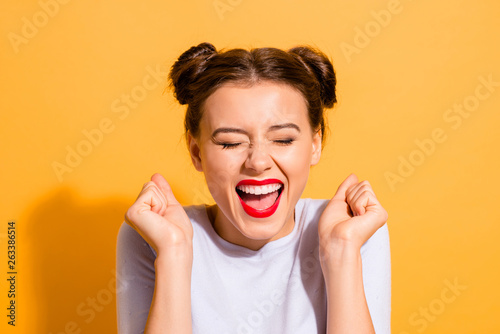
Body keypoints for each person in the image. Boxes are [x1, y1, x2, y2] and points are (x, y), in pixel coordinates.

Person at [116, 42, 391, 334]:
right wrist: (173, 254)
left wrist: (341, 251)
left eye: (283, 139)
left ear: (315, 144)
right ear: (196, 153)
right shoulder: (155, 235)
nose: (258, 162)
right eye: (230, 142)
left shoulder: (353, 229)